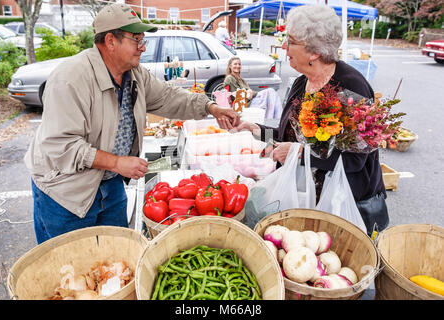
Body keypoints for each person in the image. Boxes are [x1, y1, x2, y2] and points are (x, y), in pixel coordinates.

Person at [24, 3, 239, 244]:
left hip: (110, 182)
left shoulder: (134, 74)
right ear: (110, 41)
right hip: (66, 192)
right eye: (136, 39)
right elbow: (61, 146)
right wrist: (117, 162)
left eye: (142, 39)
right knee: (70, 268)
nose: (143, 47)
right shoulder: (70, 80)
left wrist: (210, 106)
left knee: (116, 257)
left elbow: (168, 97)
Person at [231, 5, 388, 234]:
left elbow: (356, 159)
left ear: (314, 51)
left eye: (291, 41)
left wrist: (298, 153)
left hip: (343, 206)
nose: (284, 46)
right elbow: (287, 137)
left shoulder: (352, 87)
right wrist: (254, 129)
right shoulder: (300, 83)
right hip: (305, 200)